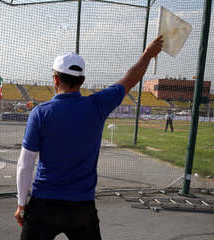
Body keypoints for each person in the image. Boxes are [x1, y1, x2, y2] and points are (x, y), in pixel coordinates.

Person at [14, 36, 163, 240]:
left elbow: (25, 164)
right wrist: (148, 54)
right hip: (82, 208)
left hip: (44, 205)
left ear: (56, 79)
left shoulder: (40, 113)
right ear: (82, 81)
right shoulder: (97, 106)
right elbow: (130, 79)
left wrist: (22, 205)